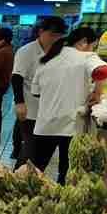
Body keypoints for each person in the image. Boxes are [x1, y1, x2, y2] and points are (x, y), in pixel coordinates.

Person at [31, 27, 107, 184]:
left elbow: (36, 92)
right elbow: (103, 71)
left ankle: (30, 199)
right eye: (93, 45)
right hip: (72, 125)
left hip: (45, 124)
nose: (92, 49)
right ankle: (62, 201)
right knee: (67, 172)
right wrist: (97, 92)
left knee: (35, 169)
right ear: (83, 42)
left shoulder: (47, 59)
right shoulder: (86, 56)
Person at [11, 16, 67, 168]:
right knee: (31, 147)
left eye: (59, 36)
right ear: (41, 32)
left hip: (52, 109)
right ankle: (19, 179)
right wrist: (19, 103)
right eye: (52, 35)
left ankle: (36, 179)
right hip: (30, 108)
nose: (55, 39)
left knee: (45, 149)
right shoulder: (26, 51)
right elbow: (17, 78)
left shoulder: (61, 52)